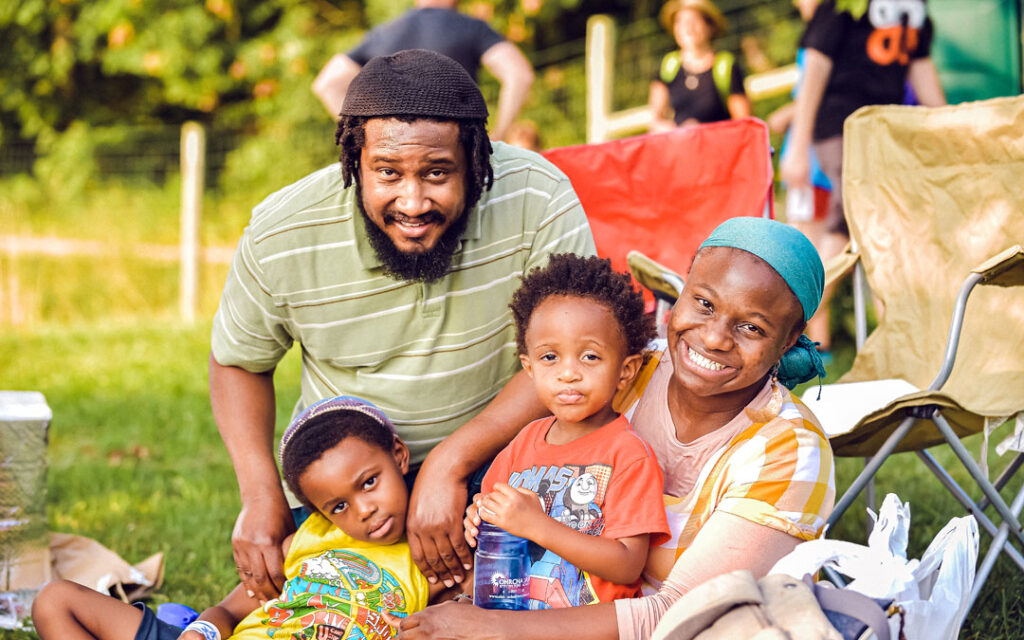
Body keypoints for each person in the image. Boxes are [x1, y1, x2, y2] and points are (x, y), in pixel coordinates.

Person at [210, 49, 594, 605]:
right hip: (351, 480)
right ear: (355, 162)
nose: (412, 203)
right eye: (387, 173)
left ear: (475, 163)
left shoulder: (538, 196)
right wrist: (259, 492)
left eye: (437, 173)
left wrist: (450, 462)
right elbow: (239, 361)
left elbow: (575, 350)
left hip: (506, 461)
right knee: (326, 609)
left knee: (517, 600)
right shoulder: (282, 232)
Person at [390, 217, 836, 639]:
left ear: (787, 340)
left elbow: (680, 615)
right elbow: (526, 433)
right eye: (704, 303)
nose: (715, 338)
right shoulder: (618, 364)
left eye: (751, 327)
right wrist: (457, 479)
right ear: (681, 291)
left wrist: (490, 628)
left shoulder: (788, 450)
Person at [32, 396, 457, 640]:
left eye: (369, 483)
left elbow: (466, 613)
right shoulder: (304, 543)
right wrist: (202, 632)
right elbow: (226, 611)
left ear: (399, 456)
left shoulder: (434, 554)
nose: (365, 510)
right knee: (55, 601)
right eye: (338, 507)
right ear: (321, 513)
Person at [464, 254, 670, 609]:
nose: (568, 374)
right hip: (511, 621)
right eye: (550, 357)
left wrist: (537, 525)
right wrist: (480, 517)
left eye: (590, 357)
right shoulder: (523, 443)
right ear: (529, 368)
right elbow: (497, 523)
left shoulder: (629, 455)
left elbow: (627, 565)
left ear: (626, 371)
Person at [779, 0, 946, 353]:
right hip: (840, 127)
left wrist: (949, 125)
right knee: (848, 220)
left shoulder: (912, 8)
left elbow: (921, 67)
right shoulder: (843, 5)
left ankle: (895, 339)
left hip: (882, 128)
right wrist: (799, 143)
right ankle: (787, 322)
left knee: (883, 231)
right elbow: (815, 67)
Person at [311, 0, 534, 142]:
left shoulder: (385, 33)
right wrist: (499, 136)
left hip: (397, 157)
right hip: (456, 152)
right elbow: (520, 75)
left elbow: (327, 84)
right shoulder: (471, 28)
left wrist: (365, 139)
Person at [648, 0, 751, 131]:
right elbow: (655, 121)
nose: (687, 28)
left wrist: (702, 133)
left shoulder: (725, 67)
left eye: (694, 21)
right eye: (680, 22)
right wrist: (677, 131)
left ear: (710, 26)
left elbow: (743, 124)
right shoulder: (668, 66)